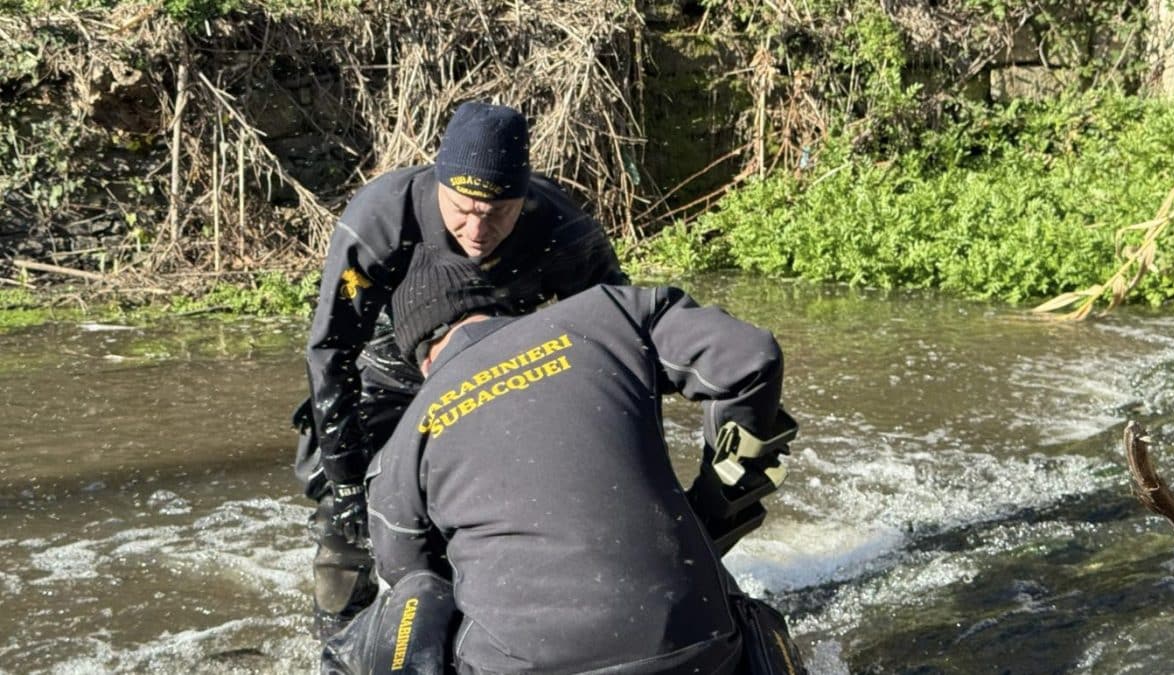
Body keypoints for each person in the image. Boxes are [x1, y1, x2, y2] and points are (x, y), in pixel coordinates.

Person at [322, 247, 805, 674]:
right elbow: (750, 358)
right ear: (501, 303)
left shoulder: (406, 439)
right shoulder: (610, 311)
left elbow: (413, 583)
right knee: (716, 582)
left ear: (419, 354)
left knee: (403, 603)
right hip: (700, 651)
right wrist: (717, 507)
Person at [297, 100, 628, 639]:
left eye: (498, 212)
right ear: (438, 184)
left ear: (523, 198)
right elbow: (329, 353)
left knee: (496, 519)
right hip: (383, 376)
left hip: (496, 373)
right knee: (345, 544)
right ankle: (335, 641)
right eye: (462, 208)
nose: (477, 229)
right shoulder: (382, 219)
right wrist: (347, 485)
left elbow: (619, 336)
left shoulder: (560, 227)